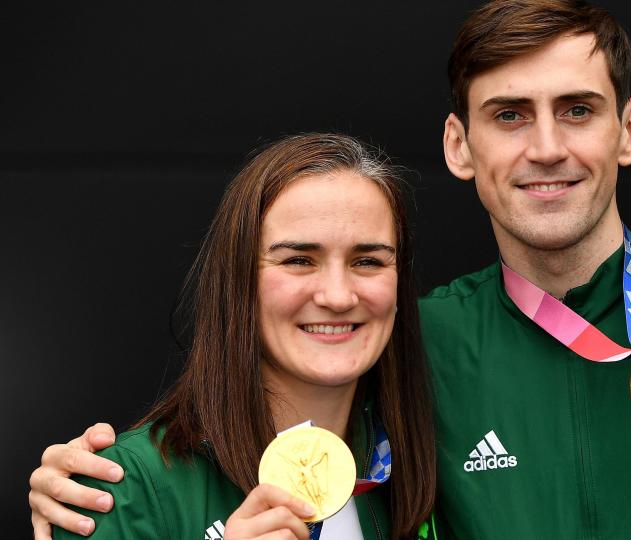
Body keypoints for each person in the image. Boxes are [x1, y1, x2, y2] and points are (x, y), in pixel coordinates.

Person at [29, 1, 631, 538]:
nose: (547, 147)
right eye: (510, 115)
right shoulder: (404, 347)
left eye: (579, 110)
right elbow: (246, 446)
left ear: (627, 129)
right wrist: (92, 494)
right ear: (461, 146)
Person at [33, 133, 436, 539]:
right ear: (238, 282)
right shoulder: (116, 488)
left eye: (368, 261)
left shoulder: (425, 466)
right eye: (298, 260)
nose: (337, 295)